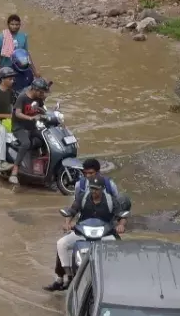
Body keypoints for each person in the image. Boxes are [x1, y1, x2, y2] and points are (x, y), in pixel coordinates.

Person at [46, 160, 124, 290]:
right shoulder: (80, 188)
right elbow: (74, 208)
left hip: (105, 231)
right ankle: (64, 278)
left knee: (120, 249)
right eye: (85, 173)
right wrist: (67, 223)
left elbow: (120, 210)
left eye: (91, 173)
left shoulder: (110, 189)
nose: (88, 176)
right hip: (84, 229)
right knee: (62, 243)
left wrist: (121, 225)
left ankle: (118, 280)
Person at [11, 76, 51, 170]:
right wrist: (31, 118)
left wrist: (48, 114)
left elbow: (42, 110)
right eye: (41, 91)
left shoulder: (39, 98)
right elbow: (17, 113)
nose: (42, 94)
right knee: (26, 143)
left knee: (48, 138)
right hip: (19, 127)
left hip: (32, 127)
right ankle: (15, 167)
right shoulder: (22, 97)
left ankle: (45, 161)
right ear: (34, 90)